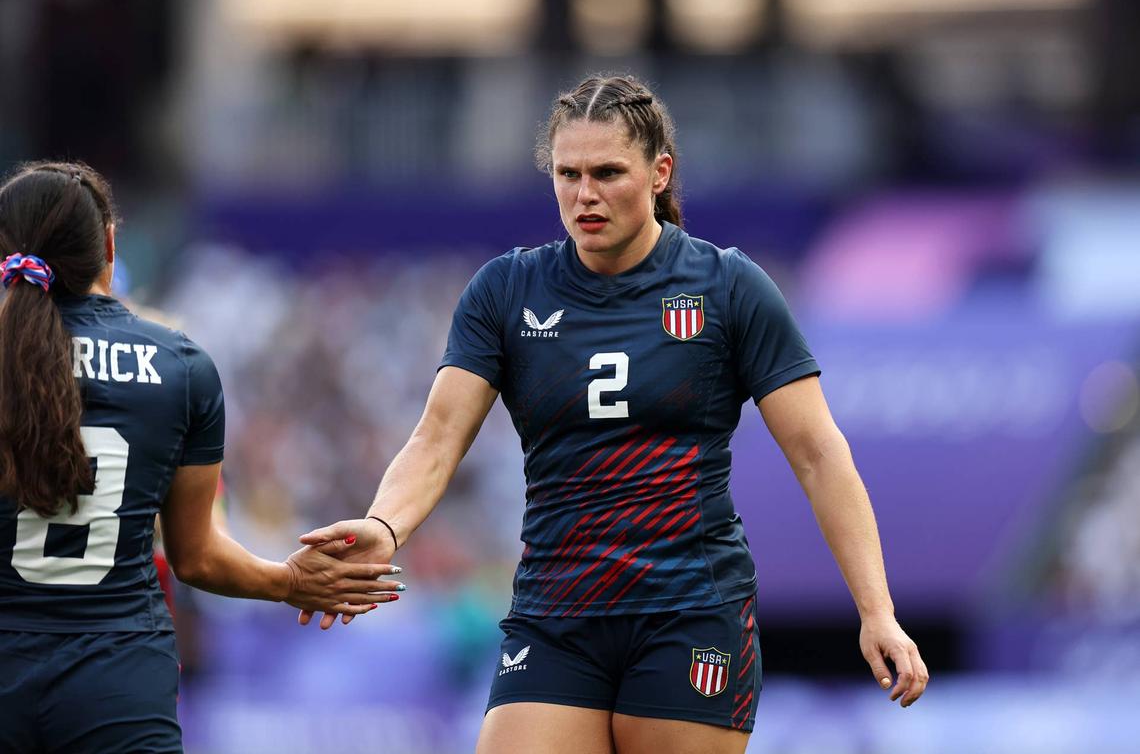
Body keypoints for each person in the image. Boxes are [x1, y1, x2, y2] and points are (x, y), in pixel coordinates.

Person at [299, 75, 929, 754]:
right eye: (567, 174)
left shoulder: (728, 287)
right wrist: (383, 525)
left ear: (660, 173)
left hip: (688, 610)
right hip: (556, 612)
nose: (584, 194)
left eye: (607, 173)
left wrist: (877, 612)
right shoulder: (507, 290)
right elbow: (436, 438)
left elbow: (818, 454)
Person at [0, 161, 404, 754]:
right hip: (116, 677)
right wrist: (289, 580)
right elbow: (196, 558)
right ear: (110, 245)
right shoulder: (179, 366)